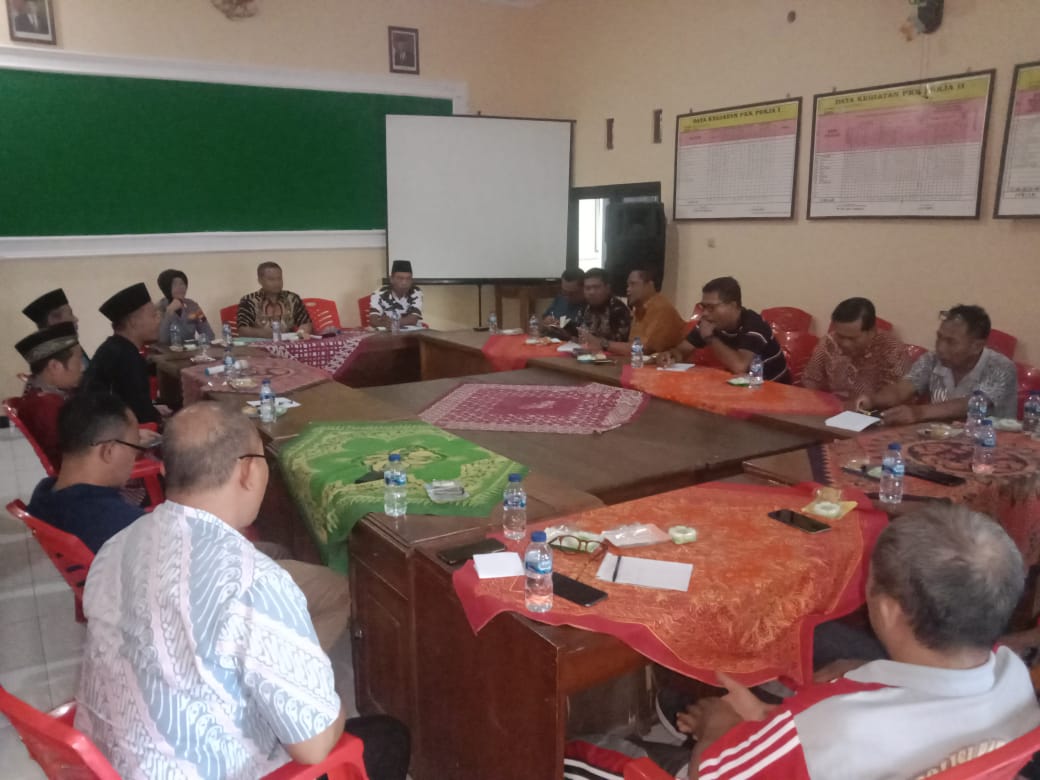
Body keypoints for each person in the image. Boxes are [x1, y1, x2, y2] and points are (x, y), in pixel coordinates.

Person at [566, 505, 1040, 779]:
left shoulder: (842, 724)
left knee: (580, 750)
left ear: (889, 611)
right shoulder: (1013, 677)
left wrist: (718, 729)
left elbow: (717, 773)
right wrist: (765, 721)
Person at [75, 402, 408, 780]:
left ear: (167, 470)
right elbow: (313, 747)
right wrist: (325, 705)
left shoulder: (116, 547)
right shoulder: (253, 581)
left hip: (114, 765)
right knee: (388, 737)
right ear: (249, 471)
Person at [854, 305, 1018, 425]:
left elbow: (970, 404)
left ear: (976, 346)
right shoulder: (932, 359)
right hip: (938, 441)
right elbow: (902, 389)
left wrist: (918, 413)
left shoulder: (1001, 367)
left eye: (951, 342)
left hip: (990, 446)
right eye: (939, 337)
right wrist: (873, 400)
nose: (940, 347)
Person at [27, 393, 148, 554]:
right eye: (135, 448)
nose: (134, 458)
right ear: (109, 451)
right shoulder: (126, 524)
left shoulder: (42, 494)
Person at [662, 277, 790, 382]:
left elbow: (739, 367)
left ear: (733, 305)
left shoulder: (754, 325)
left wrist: (710, 338)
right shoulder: (710, 322)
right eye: (703, 306)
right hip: (742, 388)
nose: (705, 313)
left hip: (775, 391)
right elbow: (683, 350)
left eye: (711, 307)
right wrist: (671, 355)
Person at [801, 297, 907, 404]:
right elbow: (811, 378)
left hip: (873, 410)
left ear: (872, 331)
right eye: (840, 336)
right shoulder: (829, 342)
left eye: (852, 339)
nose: (845, 343)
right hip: (832, 407)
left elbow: (899, 394)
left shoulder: (892, 349)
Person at [84, 282, 162, 425]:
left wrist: (154, 409)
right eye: (153, 315)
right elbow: (141, 417)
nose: (158, 320)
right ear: (133, 322)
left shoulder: (114, 348)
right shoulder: (127, 359)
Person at [13, 322, 83, 468]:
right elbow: (69, 459)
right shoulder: (46, 407)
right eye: (78, 361)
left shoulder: (40, 391)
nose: (81, 368)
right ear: (54, 366)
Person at [607, 268, 686, 356]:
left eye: (633, 284)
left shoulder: (661, 308)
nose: (628, 289)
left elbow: (642, 350)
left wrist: (604, 344)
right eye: (628, 285)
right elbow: (632, 346)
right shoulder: (638, 310)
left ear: (650, 285)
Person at [238, 261, 313, 338]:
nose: (277, 283)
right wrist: (270, 335)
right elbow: (243, 330)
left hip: (288, 342)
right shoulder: (249, 301)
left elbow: (306, 323)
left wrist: (300, 333)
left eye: (279, 278)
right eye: (271, 279)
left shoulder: (292, 299)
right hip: (259, 343)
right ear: (260, 280)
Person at [23, 287, 90, 369]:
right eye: (71, 314)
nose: (76, 319)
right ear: (54, 319)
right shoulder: (52, 359)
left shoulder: (71, 348)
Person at [156, 268, 215, 345]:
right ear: (167, 288)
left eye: (182, 283)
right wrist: (169, 312)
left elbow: (209, 334)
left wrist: (201, 344)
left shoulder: (193, 306)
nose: (180, 287)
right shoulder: (158, 309)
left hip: (191, 350)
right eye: (175, 284)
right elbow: (161, 340)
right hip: (168, 351)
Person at [576, 267, 632, 349]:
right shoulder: (584, 308)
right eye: (587, 288)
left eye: (596, 287)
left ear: (607, 288)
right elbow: (578, 335)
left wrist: (597, 342)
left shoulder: (618, 310)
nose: (592, 292)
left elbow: (622, 343)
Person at [370, 259, 423, 328]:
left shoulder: (416, 292)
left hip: (412, 332)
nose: (404, 282)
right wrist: (385, 323)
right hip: (387, 332)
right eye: (400, 278)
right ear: (391, 279)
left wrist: (393, 322)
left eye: (408, 279)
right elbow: (373, 320)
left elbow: (413, 320)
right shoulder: (379, 294)